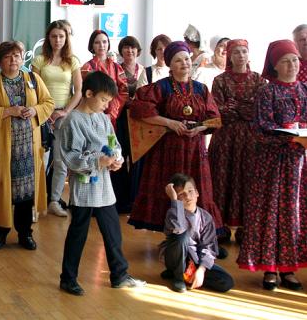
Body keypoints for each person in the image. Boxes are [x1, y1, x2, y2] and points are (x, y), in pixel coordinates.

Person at [58, 71, 146, 296]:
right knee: (79, 231)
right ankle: (68, 278)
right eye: (104, 100)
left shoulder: (103, 119)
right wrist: (97, 161)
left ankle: (119, 274)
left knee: (113, 231)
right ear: (88, 94)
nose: (106, 106)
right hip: (84, 185)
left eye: (109, 101)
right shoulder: (73, 121)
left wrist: (115, 159)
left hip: (104, 186)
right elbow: (71, 156)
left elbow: (113, 143)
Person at [128, 41, 223, 232]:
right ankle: (175, 236)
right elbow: (139, 109)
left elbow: (215, 119)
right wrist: (169, 123)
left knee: (197, 189)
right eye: (179, 60)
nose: (185, 63)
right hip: (167, 149)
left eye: (187, 59)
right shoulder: (161, 87)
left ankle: (201, 234)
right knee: (171, 187)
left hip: (195, 148)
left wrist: (198, 128)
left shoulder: (201, 89)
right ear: (170, 64)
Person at [238, 40, 307, 291]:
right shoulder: (268, 92)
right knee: (271, 213)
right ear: (274, 65)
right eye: (286, 61)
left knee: (293, 215)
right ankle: (269, 268)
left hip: (298, 164)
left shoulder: (305, 90)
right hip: (272, 164)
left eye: (295, 60)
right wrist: (289, 134)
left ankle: (289, 268)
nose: (292, 65)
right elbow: (260, 129)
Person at [0, 41, 54, 250]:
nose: (13, 60)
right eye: (8, 57)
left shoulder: (33, 79)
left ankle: (25, 233)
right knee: (1, 191)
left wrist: (35, 110)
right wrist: (7, 112)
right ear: (0, 61)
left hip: (28, 149)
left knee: (25, 194)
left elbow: (48, 103)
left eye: (17, 56)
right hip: (3, 149)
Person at [207, 39, 265, 242]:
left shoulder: (259, 80)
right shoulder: (219, 80)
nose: (241, 56)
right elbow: (218, 111)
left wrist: (235, 106)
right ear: (229, 56)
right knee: (223, 179)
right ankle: (220, 227)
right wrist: (243, 107)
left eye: (244, 52)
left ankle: (245, 229)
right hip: (225, 140)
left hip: (251, 141)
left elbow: (258, 110)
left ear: (249, 55)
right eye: (236, 52)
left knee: (248, 181)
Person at [31, 20, 82, 218]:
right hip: (41, 115)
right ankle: (35, 204)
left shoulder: (73, 61)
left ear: (66, 38)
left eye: (61, 36)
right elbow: (32, 89)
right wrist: (43, 111)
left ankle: (54, 200)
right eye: (54, 36)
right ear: (48, 38)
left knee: (61, 162)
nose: (57, 40)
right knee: (40, 161)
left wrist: (65, 111)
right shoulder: (39, 60)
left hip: (63, 116)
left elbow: (78, 92)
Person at [160, 174, 234, 293]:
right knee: (181, 236)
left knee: (226, 282)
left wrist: (201, 270)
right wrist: (174, 201)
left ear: (197, 193)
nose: (188, 196)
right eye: (181, 195)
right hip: (176, 255)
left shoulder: (206, 217)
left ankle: (187, 275)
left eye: (190, 191)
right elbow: (178, 229)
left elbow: (208, 246)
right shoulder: (172, 212)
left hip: (195, 259)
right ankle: (178, 277)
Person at [113, 35, 148, 214]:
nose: (130, 51)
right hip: (120, 117)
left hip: (138, 121)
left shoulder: (144, 70)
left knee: (137, 160)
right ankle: (120, 201)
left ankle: (135, 200)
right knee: (120, 155)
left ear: (138, 50)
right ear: (121, 51)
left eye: (133, 48)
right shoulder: (116, 69)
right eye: (126, 47)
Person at [80, 30, 128, 127]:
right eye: (97, 42)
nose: (101, 45)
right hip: (92, 114)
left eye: (104, 42)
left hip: (113, 114)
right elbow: (84, 93)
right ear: (92, 46)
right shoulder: (87, 67)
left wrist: (113, 111)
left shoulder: (117, 67)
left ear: (108, 44)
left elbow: (124, 91)